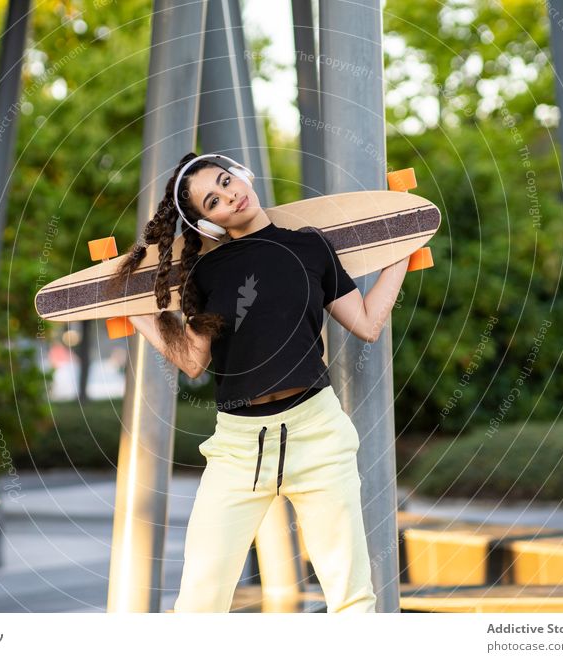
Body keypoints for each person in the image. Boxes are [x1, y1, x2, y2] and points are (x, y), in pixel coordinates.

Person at [108, 153, 410, 613]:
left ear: (241, 175)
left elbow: (367, 323)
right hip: (238, 447)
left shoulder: (311, 247)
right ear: (208, 222)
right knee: (198, 601)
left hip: (319, 433)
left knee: (352, 600)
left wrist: (402, 252)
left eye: (227, 182)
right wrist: (136, 312)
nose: (230, 196)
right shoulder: (208, 272)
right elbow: (192, 361)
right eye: (214, 200)